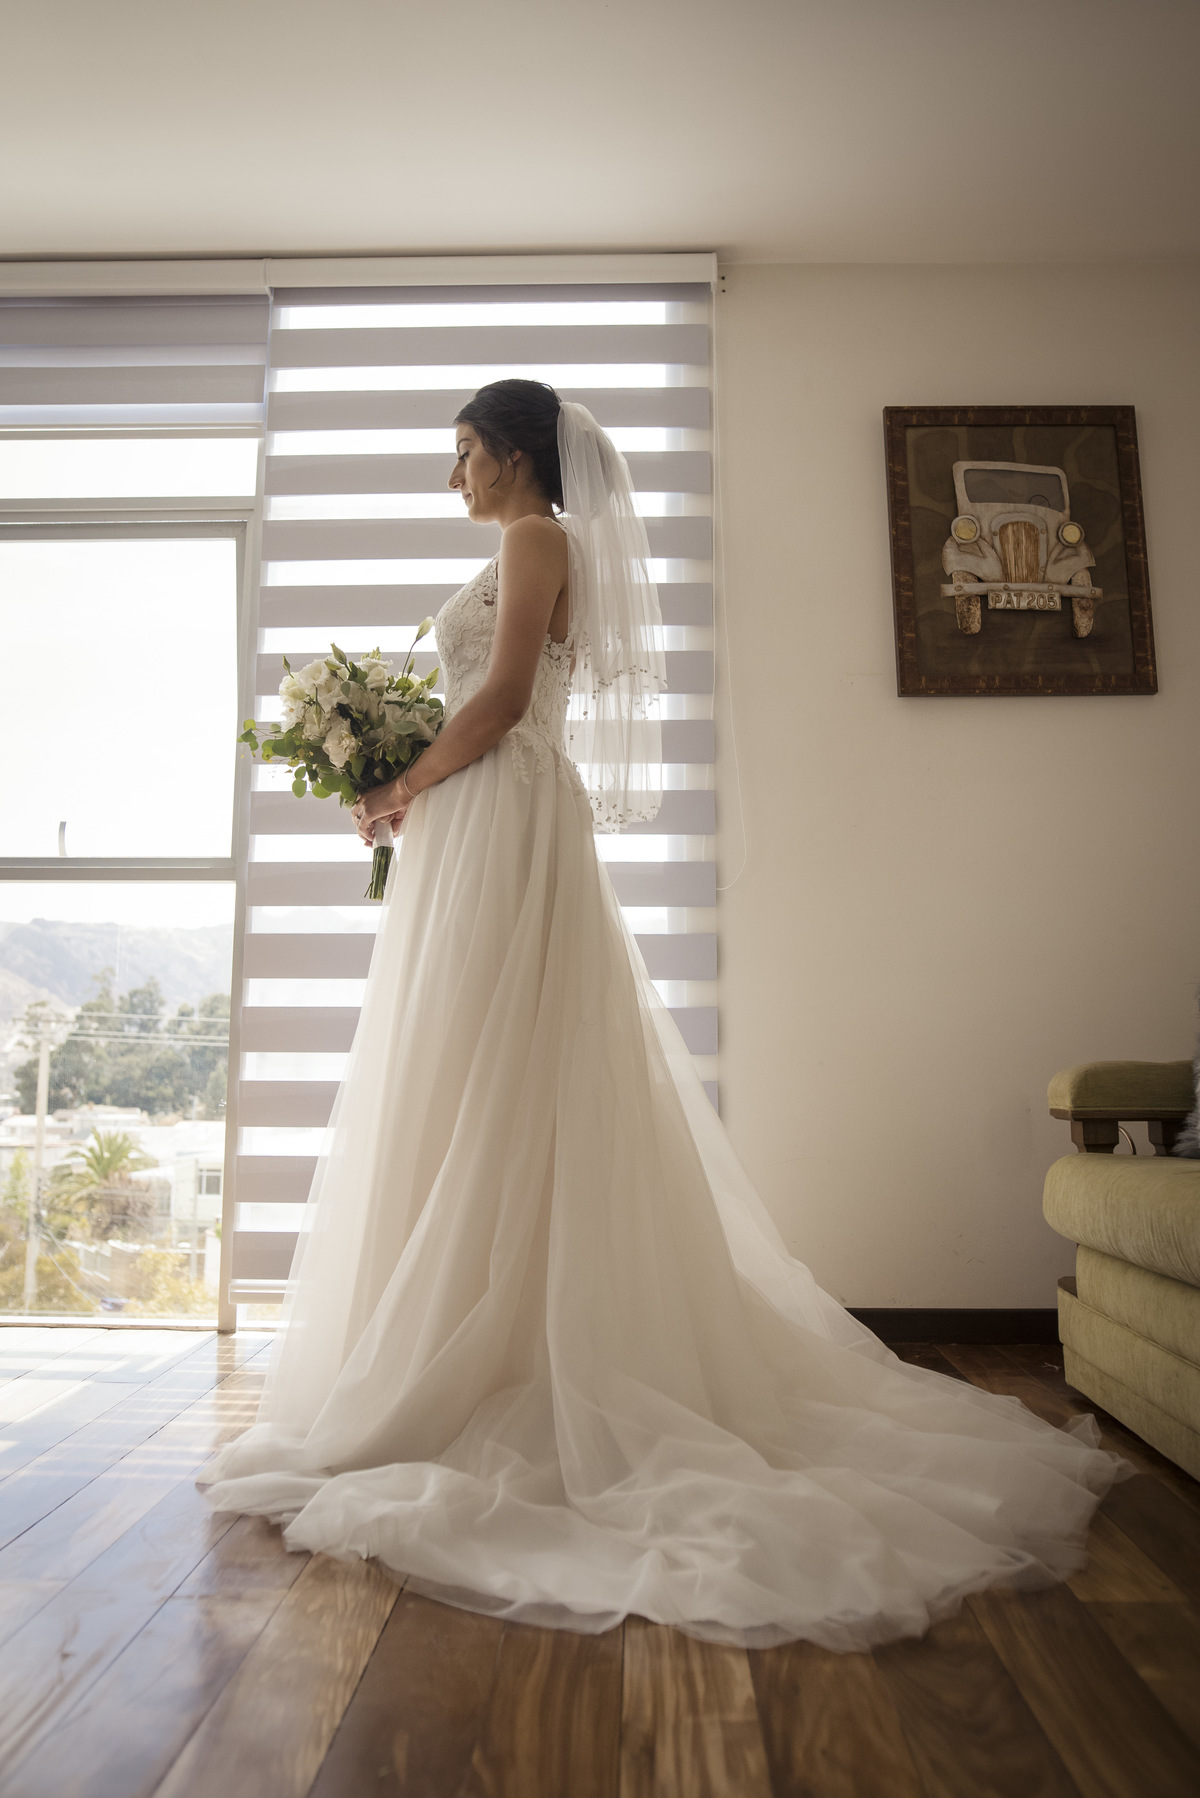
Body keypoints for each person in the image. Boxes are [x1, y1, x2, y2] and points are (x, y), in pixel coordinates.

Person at [198, 380, 1124, 1651]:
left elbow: (506, 699)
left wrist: (401, 781)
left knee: (497, 1072)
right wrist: (413, 783)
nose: (453, 477)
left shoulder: (538, 537)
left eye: (463, 453)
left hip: (501, 811)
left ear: (516, 454)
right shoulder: (526, 540)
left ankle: (507, 1347)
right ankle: (466, 1327)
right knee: (474, 1074)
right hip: (480, 820)